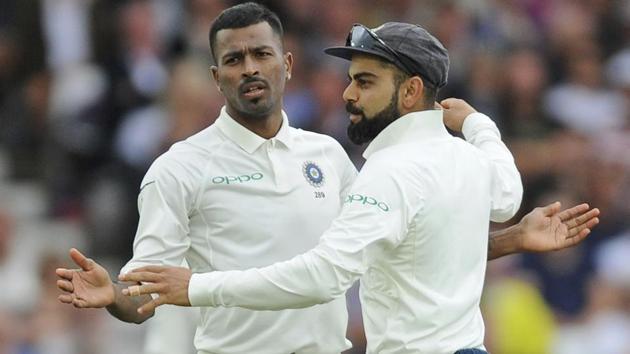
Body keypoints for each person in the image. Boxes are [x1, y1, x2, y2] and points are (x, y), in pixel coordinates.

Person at [56, 4, 600, 354]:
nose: (249, 68)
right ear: (214, 76)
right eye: (234, 58)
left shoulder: (332, 156)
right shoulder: (178, 169)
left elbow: (393, 247)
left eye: (261, 54)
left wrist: (509, 240)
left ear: (287, 64)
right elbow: (146, 292)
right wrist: (113, 297)